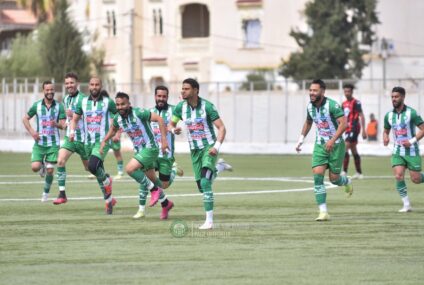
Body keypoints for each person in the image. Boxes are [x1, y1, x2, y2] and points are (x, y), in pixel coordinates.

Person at [99, 92, 173, 219]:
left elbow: (159, 119)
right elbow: (113, 130)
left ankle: (153, 190)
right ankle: (166, 203)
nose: (120, 107)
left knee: (130, 169)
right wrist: (105, 140)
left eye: (123, 104)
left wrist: (164, 141)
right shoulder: (118, 118)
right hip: (140, 151)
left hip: (151, 148)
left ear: (129, 104)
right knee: (157, 182)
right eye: (117, 105)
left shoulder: (139, 112)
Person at [169, 78, 227, 230]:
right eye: (182, 88)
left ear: (196, 90)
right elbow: (171, 124)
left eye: (186, 89)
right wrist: (172, 130)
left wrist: (217, 146)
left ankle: (209, 221)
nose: (183, 91)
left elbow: (221, 128)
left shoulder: (207, 107)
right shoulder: (180, 107)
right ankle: (219, 168)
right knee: (201, 186)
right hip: (194, 151)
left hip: (209, 148)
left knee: (205, 183)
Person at [296, 79, 353, 221]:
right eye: (310, 90)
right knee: (317, 176)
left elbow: (344, 124)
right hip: (320, 146)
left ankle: (346, 182)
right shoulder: (310, 107)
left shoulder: (332, 105)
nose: (311, 93)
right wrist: (301, 139)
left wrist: (332, 140)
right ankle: (323, 212)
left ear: (322, 91)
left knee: (334, 179)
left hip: (336, 146)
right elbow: (308, 122)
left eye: (315, 90)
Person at [69, 77, 117, 214]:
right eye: (92, 84)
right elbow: (75, 118)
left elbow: (117, 117)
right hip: (87, 142)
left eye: (97, 84)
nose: (94, 87)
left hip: (102, 141)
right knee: (96, 170)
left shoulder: (108, 102)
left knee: (92, 166)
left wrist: (117, 132)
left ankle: (107, 181)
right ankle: (108, 202)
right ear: (88, 86)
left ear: (101, 86)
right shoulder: (83, 102)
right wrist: (72, 131)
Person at [22, 81, 66, 202]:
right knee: (35, 167)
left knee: (51, 170)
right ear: (43, 91)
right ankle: (41, 166)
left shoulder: (59, 106)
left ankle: (45, 194)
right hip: (40, 143)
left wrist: (56, 124)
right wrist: (32, 132)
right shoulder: (37, 105)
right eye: (47, 90)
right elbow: (25, 119)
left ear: (54, 91)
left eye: (52, 90)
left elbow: (63, 126)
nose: (50, 92)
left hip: (53, 144)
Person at [383, 86, 424, 213]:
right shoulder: (388, 115)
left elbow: (423, 129)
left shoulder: (411, 113)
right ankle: (406, 205)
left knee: (415, 179)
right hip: (397, 151)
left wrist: (411, 141)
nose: (394, 99)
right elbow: (386, 130)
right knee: (398, 175)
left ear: (403, 97)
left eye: (396, 97)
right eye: (392, 97)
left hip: (412, 151)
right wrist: (385, 137)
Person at [53, 72, 89, 204]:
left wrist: (74, 114)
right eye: (67, 83)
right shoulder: (66, 99)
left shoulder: (84, 99)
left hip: (83, 140)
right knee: (60, 160)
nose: (69, 85)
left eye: (72, 83)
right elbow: (69, 120)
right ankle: (62, 194)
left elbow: (90, 118)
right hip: (70, 138)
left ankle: (106, 180)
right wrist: (63, 124)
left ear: (77, 84)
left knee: (89, 168)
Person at [341, 84, 366, 179]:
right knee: (353, 149)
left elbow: (361, 115)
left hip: (354, 128)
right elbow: (342, 118)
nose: (346, 93)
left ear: (352, 92)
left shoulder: (356, 102)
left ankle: (344, 171)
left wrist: (364, 130)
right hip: (347, 129)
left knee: (345, 146)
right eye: (345, 91)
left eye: (348, 91)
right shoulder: (343, 104)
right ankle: (359, 173)